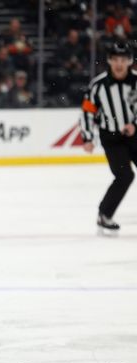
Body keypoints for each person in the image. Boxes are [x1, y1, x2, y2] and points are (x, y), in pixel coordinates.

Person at [80, 41, 137, 232]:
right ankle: (104, 214)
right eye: (115, 59)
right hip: (112, 138)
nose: (119, 64)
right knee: (124, 176)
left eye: (123, 59)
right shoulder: (98, 85)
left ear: (129, 61)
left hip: (135, 135)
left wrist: (134, 125)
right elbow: (88, 111)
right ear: (109, 61)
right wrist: (87, 138)